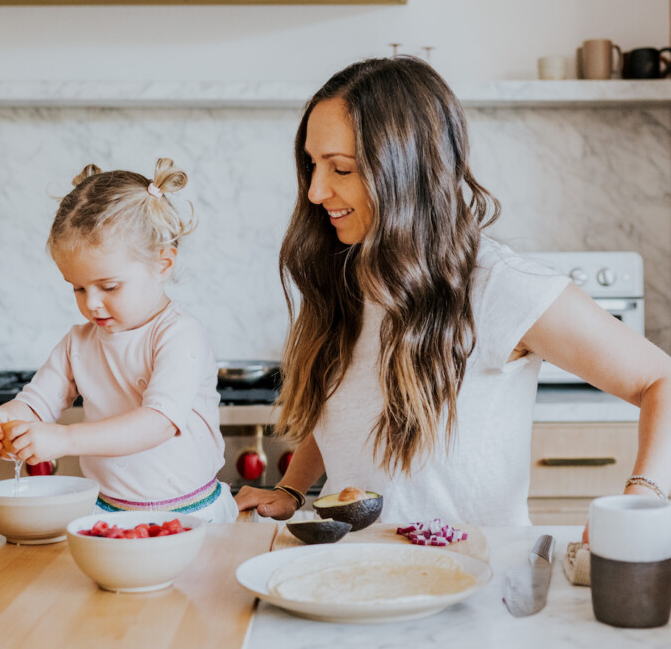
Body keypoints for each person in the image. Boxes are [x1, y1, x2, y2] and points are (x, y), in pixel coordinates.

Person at [236, 56, 671, 529]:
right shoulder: (348, 272)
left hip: (476, 585)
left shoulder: (498, 284)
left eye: (340, 169)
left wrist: (642, 498)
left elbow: (661, 381)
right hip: (360, 577)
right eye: (311, 164)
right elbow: (350, 411)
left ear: (409, 171)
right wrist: (291, 488)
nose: (316, 191)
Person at [0, 159, 239, 523]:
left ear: (163, 264)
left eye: (109, 286)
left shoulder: (180, 334)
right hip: (105, 514)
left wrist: (64, 440)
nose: (91, 303)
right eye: (78, 288)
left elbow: (158, 423)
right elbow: (36, 404)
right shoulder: (78, 343)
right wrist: (4, 419)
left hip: (194, 516)